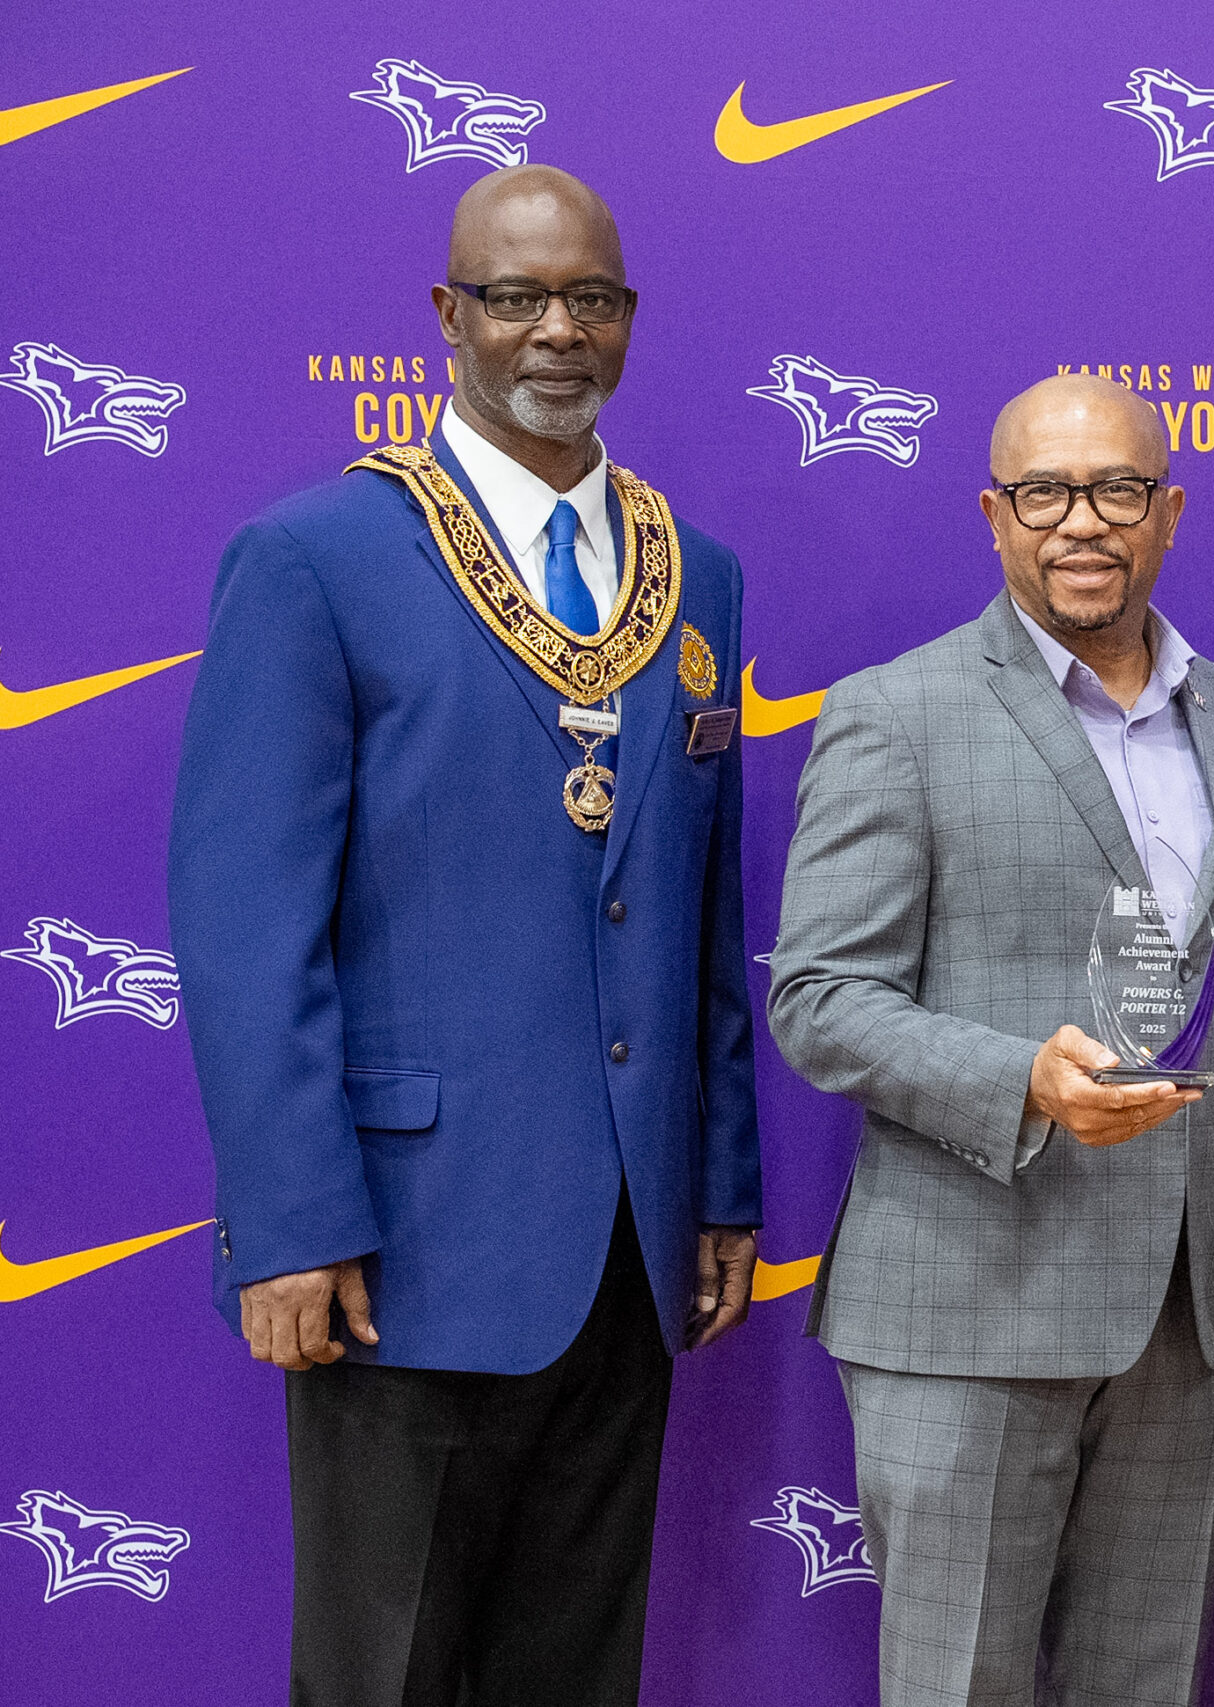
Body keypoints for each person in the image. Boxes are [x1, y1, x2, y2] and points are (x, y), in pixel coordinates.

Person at [168, 167, 761, 1706]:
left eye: (593, 300)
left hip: (630, 1249)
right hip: (400, 1248)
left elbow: (702, 916)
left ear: (629, 319)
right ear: (449, 316)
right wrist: (288, 1220)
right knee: (389, 1673)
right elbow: (246, 931)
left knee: (576, 1670)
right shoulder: (316, 560)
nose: (557, 331)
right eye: (516, 298)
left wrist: (717, 1186)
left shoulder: (697, 576)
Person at [766, 374, 1214, 1707]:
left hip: (1186, 1320)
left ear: (1167, 511)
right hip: (967, 1302)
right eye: (1044, 493)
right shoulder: (899, 711)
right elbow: (820, 995)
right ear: (994, 515)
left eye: (1116, 490)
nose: (1082, 523)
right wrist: (1022, 1082)